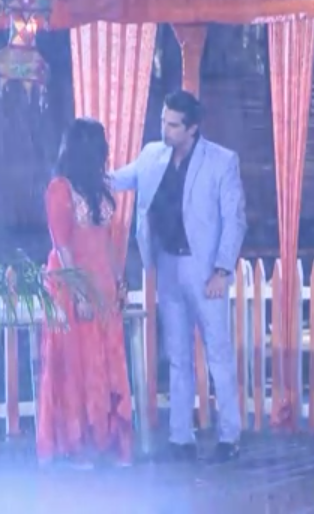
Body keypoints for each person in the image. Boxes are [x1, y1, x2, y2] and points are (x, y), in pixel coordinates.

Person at [111, 90, 247, 463]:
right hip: (168, 264)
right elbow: (120, 179)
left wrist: (222, 270)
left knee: (218, 354)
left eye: (173, 125)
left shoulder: (221, 161)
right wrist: (83, 175)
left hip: (205, 270)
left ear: (192, 128)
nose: (165, 130)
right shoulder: (151, 155)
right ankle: (180, 436)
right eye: (163, 122)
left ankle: (229, 435)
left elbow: (234, 220)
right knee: (177, 354)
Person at [37, 118, 133, 468]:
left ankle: (108, 441)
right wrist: (78, 294)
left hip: (102, 283)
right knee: (77, 363)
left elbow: (107, 241)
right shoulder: (59, 189)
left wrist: (119, 281)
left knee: (107, 362)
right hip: (72, 283)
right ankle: (77, 445)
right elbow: (62, 246)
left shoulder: (99, 189)